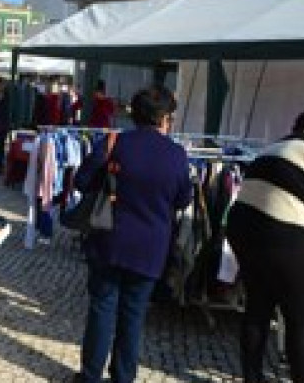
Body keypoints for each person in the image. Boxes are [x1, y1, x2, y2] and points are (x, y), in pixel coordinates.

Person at [74, 86, 193, 383]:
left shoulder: (113, 142)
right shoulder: (177, 155)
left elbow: (81, 181)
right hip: (150, 247)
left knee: (102, 309)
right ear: (165, 118)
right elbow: (183, 200)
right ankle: (123, 378)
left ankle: (90, 377)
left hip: (108, 239)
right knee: (133, 315)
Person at [226, 108, 304, 383]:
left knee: (258, 307)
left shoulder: (274, 146)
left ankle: (252, 377)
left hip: (242, 228)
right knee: (301, 319)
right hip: (283, 232)